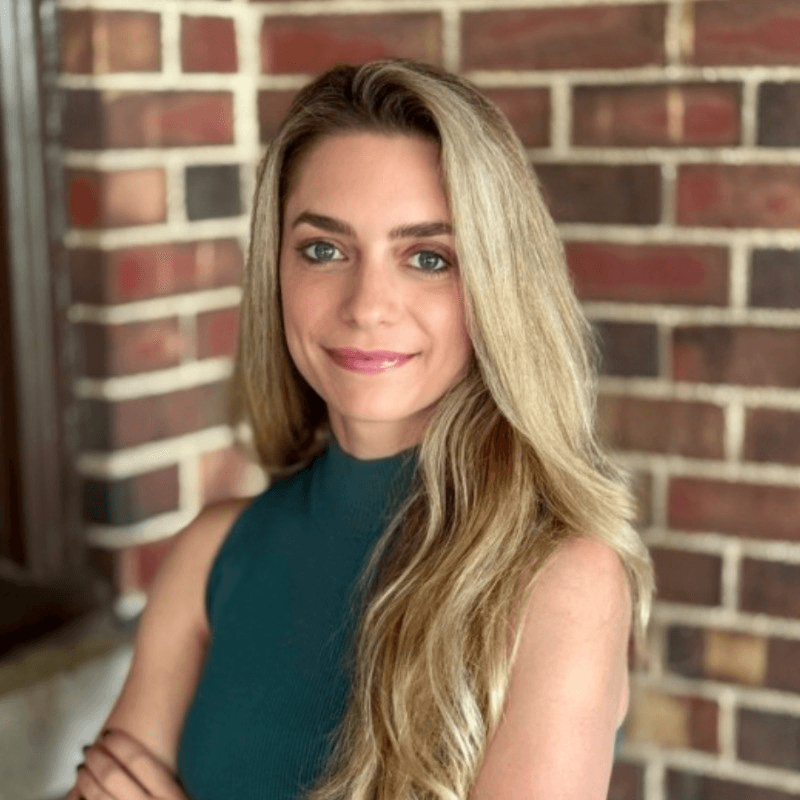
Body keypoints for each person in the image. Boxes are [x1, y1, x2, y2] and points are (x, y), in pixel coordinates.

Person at [68, 59, 654, 800]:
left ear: (497, 284)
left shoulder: (561, 579)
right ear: (276, 269)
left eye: (428, 258)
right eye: (324, 249)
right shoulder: (214, 554)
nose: (367, 305)